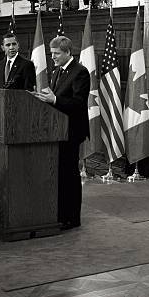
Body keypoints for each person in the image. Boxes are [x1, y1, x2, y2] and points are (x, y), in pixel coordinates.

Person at [32, 36, 89, 230]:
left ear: (67, 53)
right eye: (51, 53)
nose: (53, 57)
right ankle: (60, 213)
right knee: (59, 175)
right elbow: (55, 98)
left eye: (57, 54)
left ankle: (72, 218)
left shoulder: (80, 72)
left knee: (69, 175)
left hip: (71, 131)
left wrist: (54, 100)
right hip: (57, 131)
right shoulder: (57, 71)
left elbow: (78, 103)